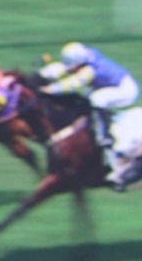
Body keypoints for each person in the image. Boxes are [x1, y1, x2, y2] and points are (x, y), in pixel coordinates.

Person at [38, 41, 139, 190]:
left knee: (97, 98)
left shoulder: (89, 70)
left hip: (125, 91)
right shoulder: (84, 58)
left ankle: (104, 135)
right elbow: (65, 68)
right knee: (89, 95)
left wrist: (50, 89)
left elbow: (73, 83)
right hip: (113, 84)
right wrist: (45, 73)